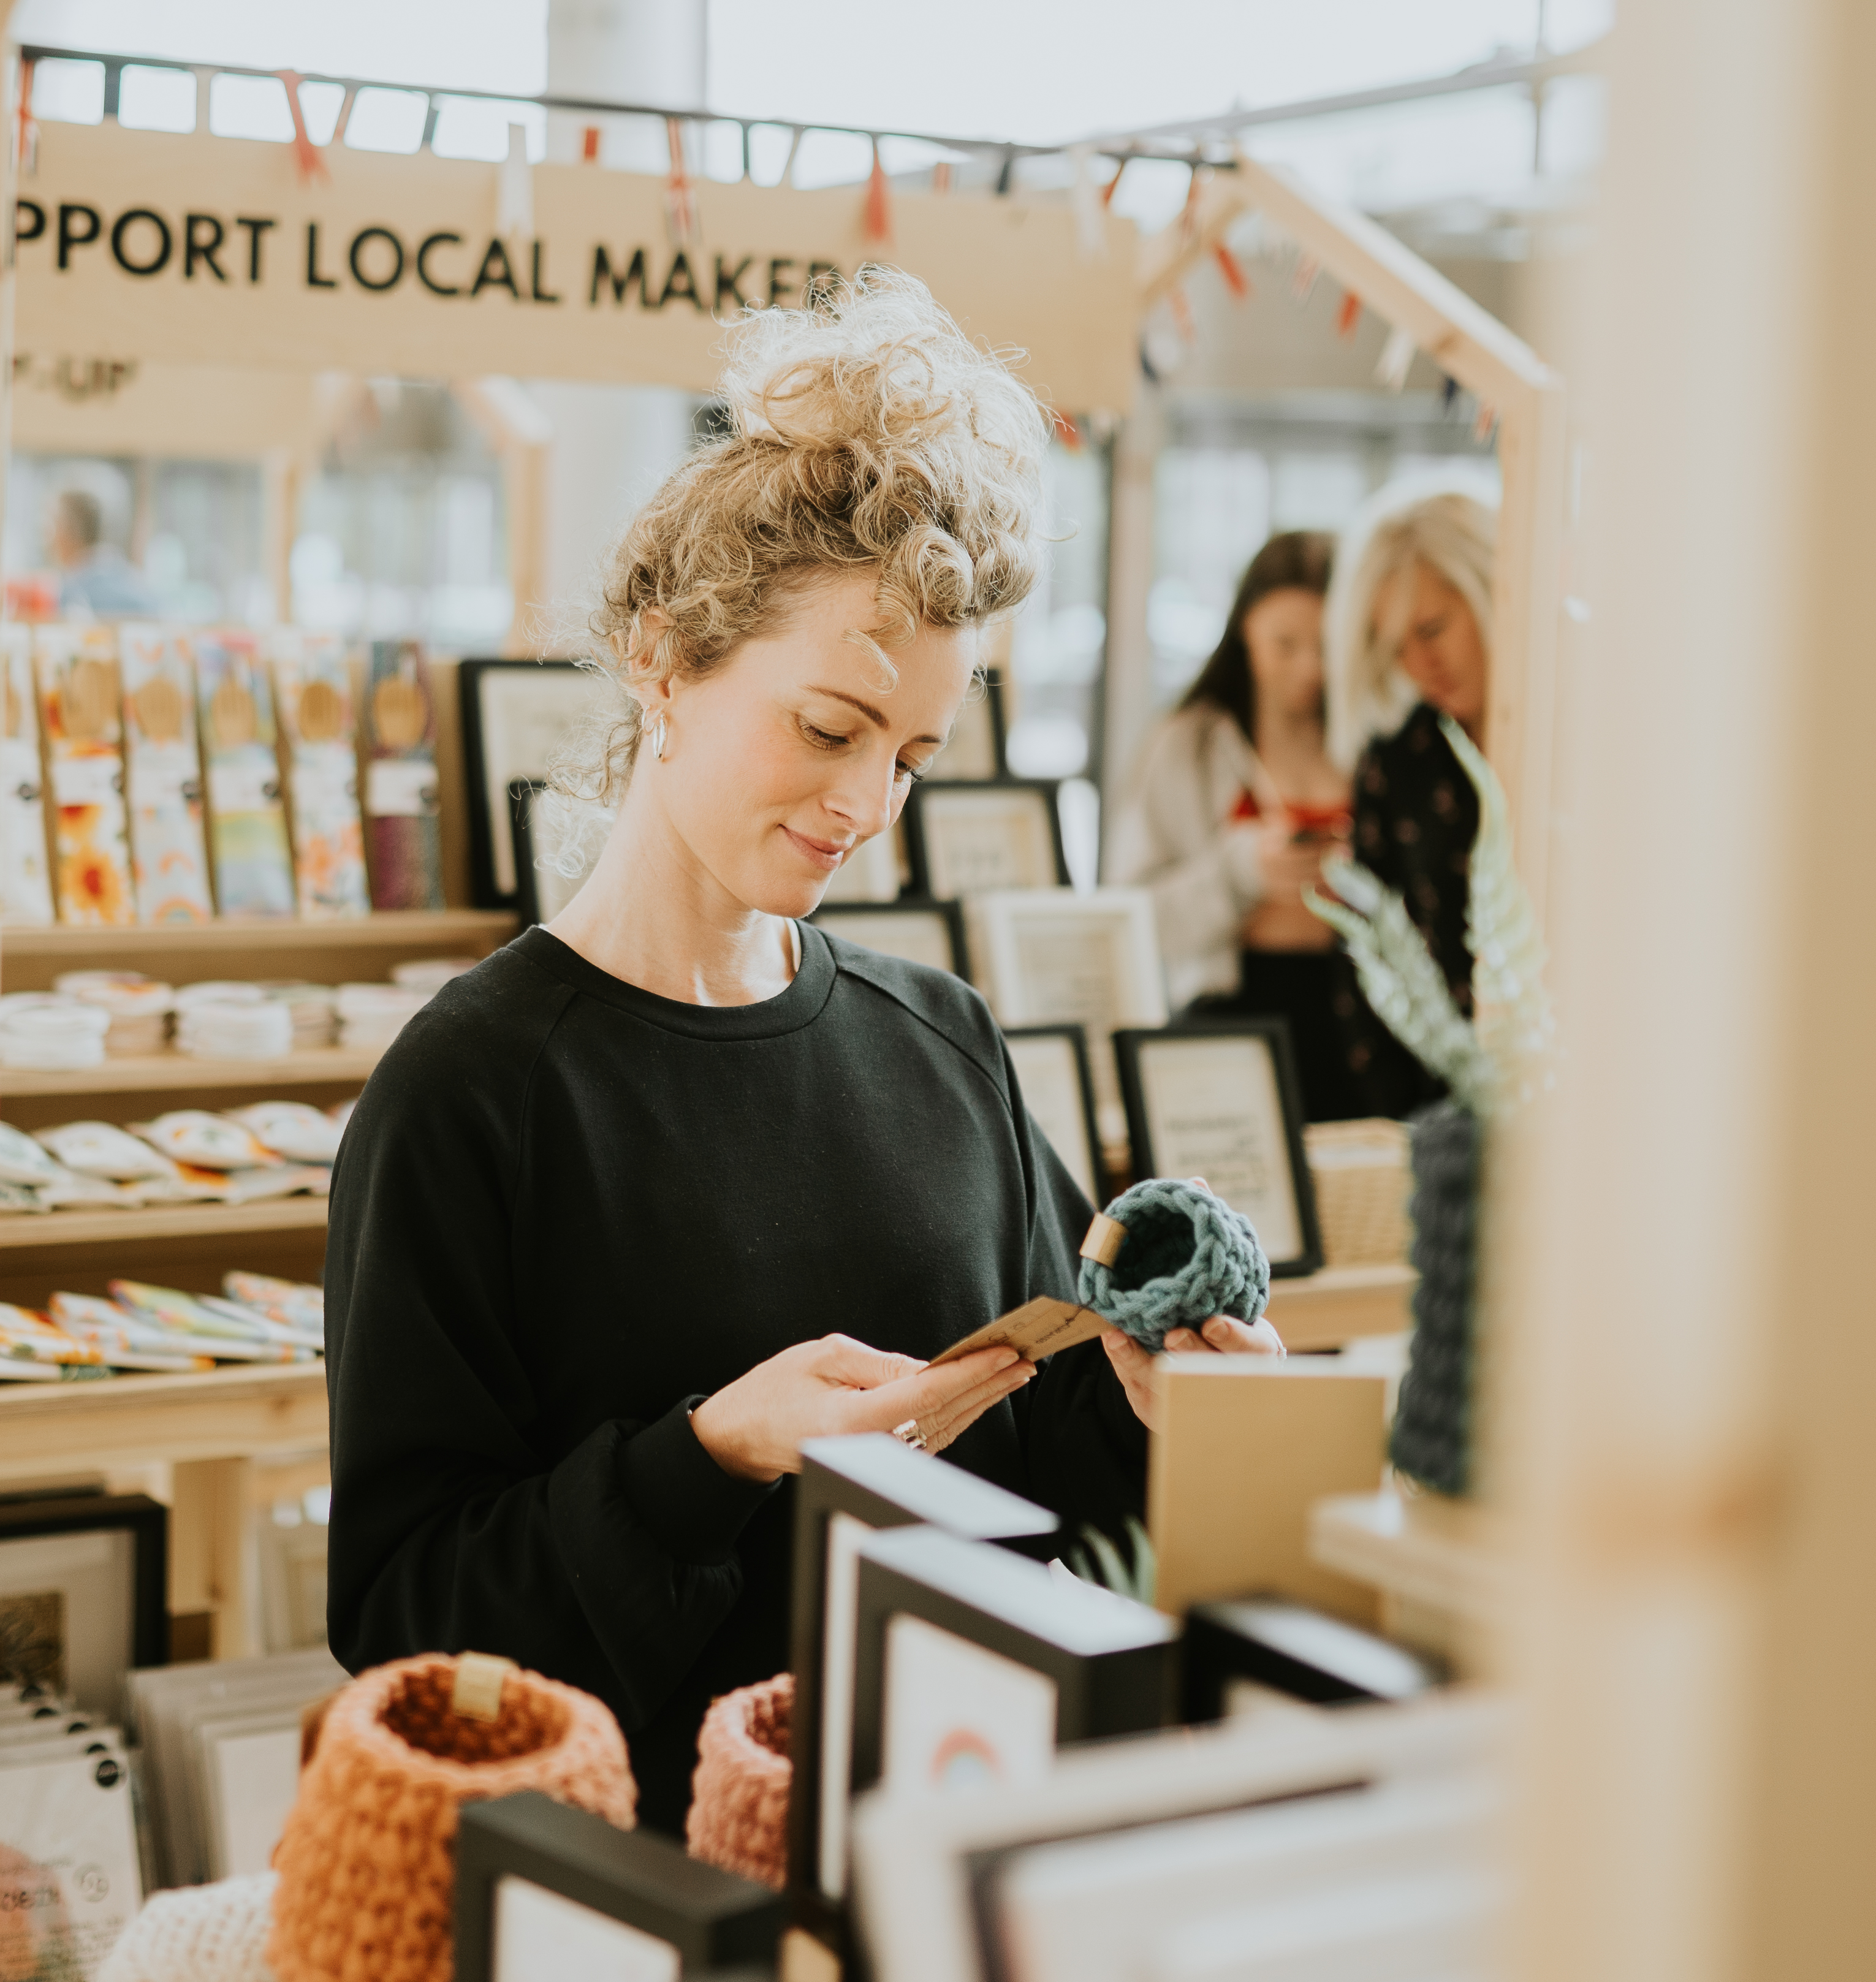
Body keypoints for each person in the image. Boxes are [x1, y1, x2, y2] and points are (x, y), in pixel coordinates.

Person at [321, 270, 1285, 1834]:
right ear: (662, 659)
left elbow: (1047, 1472)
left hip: (958, 1848)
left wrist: (1161, 1413)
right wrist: (712, 1456)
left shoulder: (943, 1042)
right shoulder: (473, 1094)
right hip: (641, 1895)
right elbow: (404, 1618)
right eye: (830, 731)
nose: (868, 807)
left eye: (913, 757)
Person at [1112, 531, 1374, 1121]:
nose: (1309, 667)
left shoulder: (1375, 741)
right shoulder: (1189, 745)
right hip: (1229, 1018)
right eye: (1285, 644)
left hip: (1363, 1029)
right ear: (1243, 630)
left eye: (1327, 645)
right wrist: (1242, 870)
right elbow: (1131, 923)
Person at [1324, 484, 1500, 1118]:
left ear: (1493, 592)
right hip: (1438, 1123)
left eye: (1432, 629)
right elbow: (1366, 972)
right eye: (1397, 645)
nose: (1421, 663)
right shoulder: (1398, 767)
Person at [44, 487, 156, 615]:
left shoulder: (75, 596)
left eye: (52, 526)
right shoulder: (129, 578)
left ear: (72, 531)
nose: (48, 540)